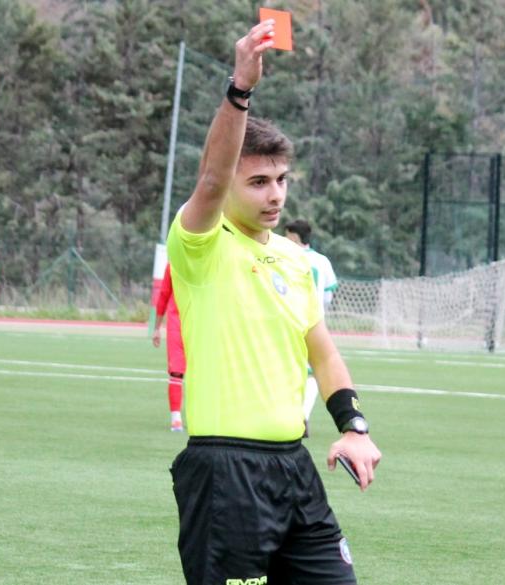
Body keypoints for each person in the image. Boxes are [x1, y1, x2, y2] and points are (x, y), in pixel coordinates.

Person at [166, 20, 381, 585]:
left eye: (281, 179)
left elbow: (324, 354)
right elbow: (211, 179)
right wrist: (241, 88)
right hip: (224, 469)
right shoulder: (201, 246)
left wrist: (354, 426)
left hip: (294, 466)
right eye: (258, 181)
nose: (276, 194)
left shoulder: (294, 259)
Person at [285, 219, 339, 431]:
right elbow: (328, 296)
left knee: (287, 369)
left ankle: (289, 415)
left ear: (294, 237)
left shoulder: (286, 257)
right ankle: (303, 414)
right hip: (315, 324)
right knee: (314, 372)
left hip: (289, 321)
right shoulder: (322, 261)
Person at [152, 263, 186, 432]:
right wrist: (157, 328)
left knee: (202, 374)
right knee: (177, 371)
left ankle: (198, 417)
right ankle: (176, 418)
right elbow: (164, 294)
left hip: (200, 324)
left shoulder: (207, 260)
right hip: (177, 325)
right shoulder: (173, 265)